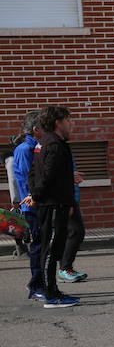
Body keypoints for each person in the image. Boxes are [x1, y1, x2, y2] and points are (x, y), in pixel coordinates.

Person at [29, 106, 81, 308]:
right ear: (58, 122)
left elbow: (34, 173)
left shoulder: (43, 142)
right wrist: (38, 196)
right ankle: (51, 294)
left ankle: (52, 290)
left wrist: (36, 195)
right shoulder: (56, 145)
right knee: (52, 248)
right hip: (53, 205)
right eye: (68, 120)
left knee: (49, 248)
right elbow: (48, 176)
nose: (71, 124)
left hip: (51, 203)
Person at [11, 112, 42, 269]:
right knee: (38, 244)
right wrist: (33, 195)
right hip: (32, 203)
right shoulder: (25, 149)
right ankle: (37, 282)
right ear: (36, 129)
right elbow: (26, 177)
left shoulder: (35, 147)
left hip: (38, 201)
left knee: (41, 243)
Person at [56, 144, 87, 283]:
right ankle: (64, 268)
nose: (70, 124)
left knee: (71, 232)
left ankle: (65, 268)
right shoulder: (52, 145)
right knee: (76, 231)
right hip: (64, 198)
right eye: (67, 120)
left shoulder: (61, 145)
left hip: (70, 196)